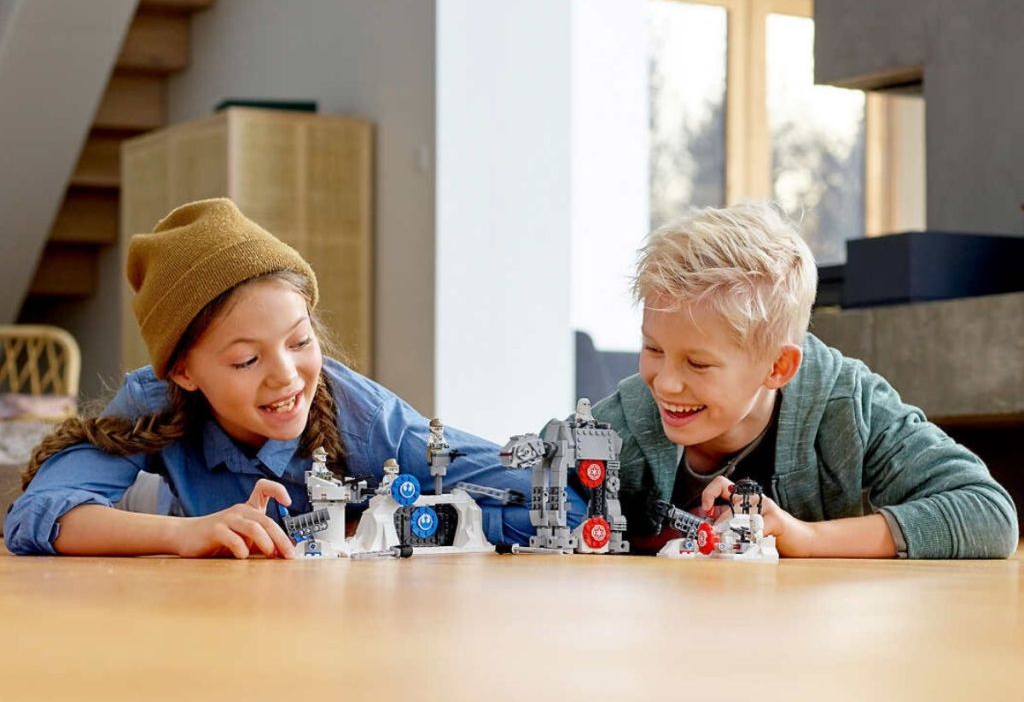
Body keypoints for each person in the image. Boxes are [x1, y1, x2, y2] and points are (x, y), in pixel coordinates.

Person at [5, 198, 532, 557]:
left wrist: (374, 525)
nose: (286, 377)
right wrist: (188, 533)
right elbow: (35, 516)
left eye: (300, 342)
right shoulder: (152, 398)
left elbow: (550, 502)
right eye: (245, 361)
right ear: (185, 371)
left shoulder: (370, 422)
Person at [593, 203, 1018, 558]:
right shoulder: (625, 423)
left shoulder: (849, 406)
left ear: (778, 367)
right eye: (653, 350)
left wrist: (803, 536)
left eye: (698, 364)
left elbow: (989, 514)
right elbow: (530, 488)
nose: (665, 384)